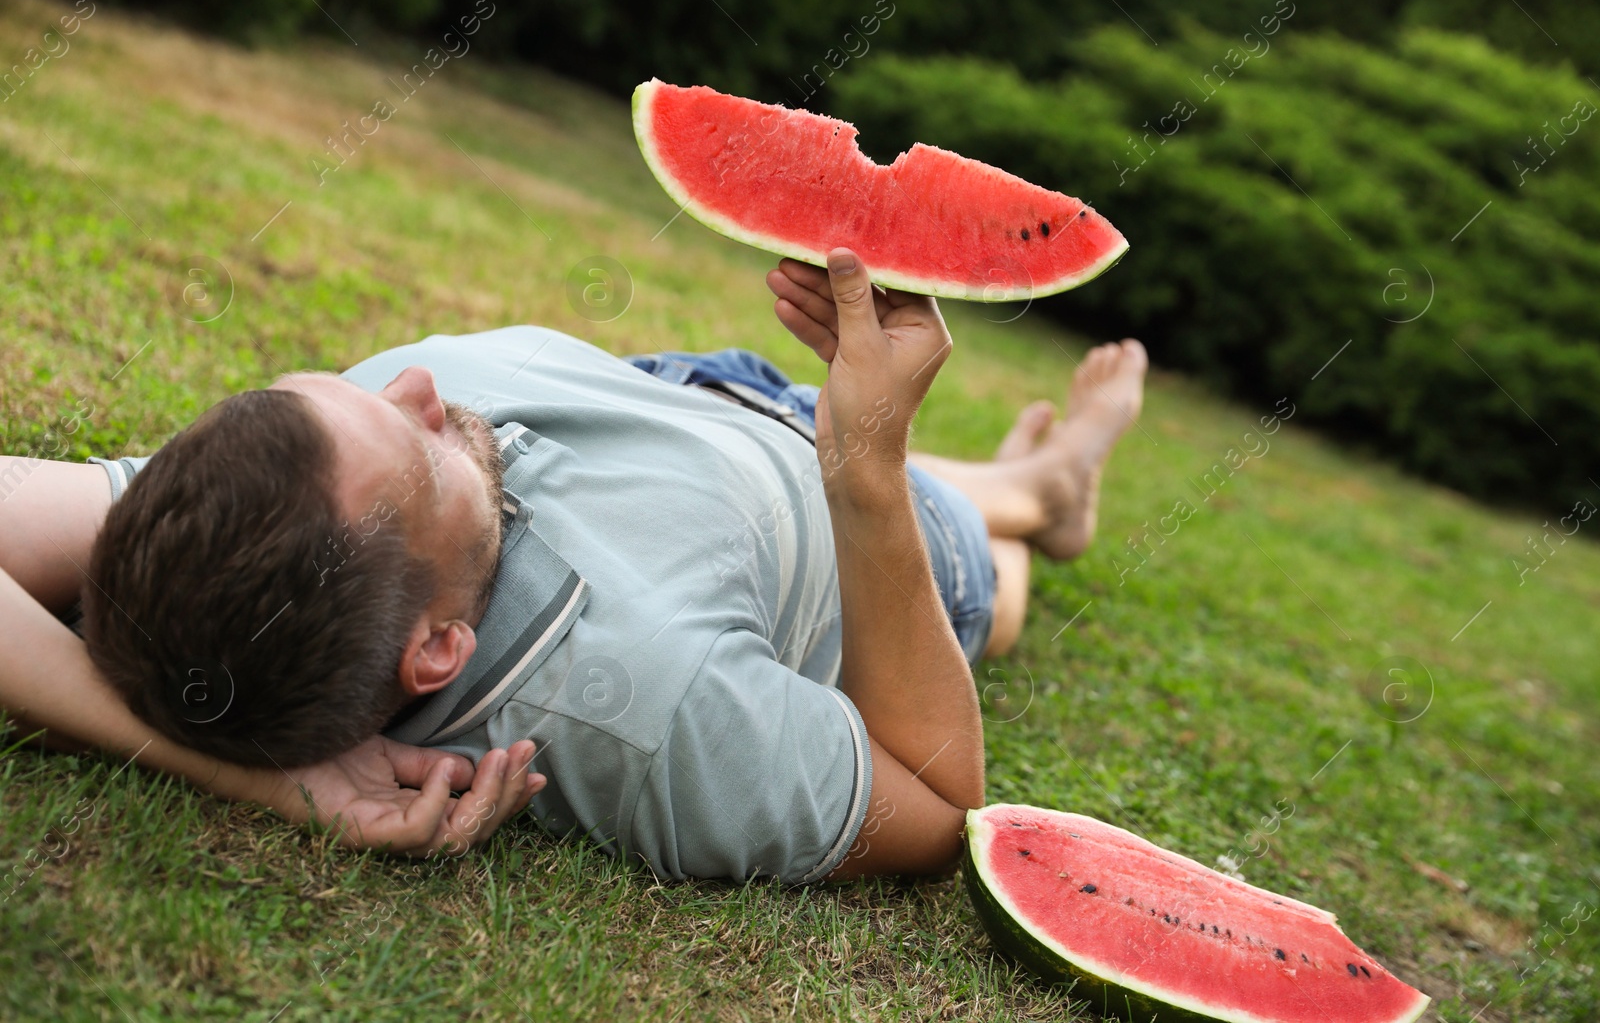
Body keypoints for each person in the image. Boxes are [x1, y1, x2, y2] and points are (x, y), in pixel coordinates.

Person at [0, 249, 1147, 881]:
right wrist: (865, 471)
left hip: (686, 392)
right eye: (409, 437)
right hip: (848, 528)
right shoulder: (656, 707)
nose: (417, 387)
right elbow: (945, 803)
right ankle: (1048, 494)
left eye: (340, 385)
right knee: (985, 548)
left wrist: (235, 766)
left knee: (858, 441)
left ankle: (1029, 480)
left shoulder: (242, 522)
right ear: (439, 647)